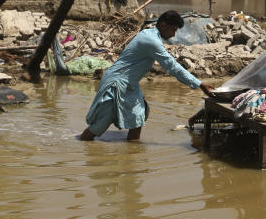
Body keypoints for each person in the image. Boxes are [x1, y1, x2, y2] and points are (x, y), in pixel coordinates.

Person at [80, 10, 213, 141]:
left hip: (129, 84)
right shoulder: (151, 41)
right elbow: (173, 67)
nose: (173, 35)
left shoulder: (149, 34)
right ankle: (82, 145)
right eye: (173, 30)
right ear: (162, 25)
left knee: (138, 118)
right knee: (98, 127)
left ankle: (133, 152)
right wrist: (200, 84)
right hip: (116, 83)